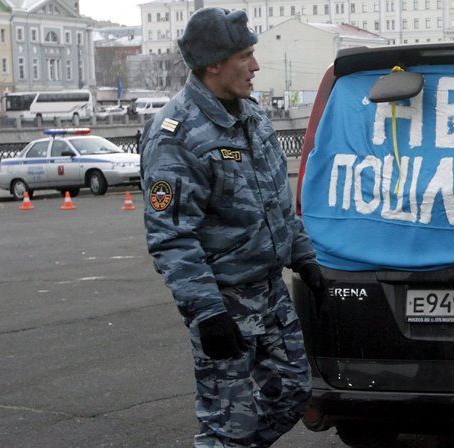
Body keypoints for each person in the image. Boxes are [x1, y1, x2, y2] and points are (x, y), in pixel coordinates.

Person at [140, 7, 326, 448]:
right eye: (246, 56)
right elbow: (171, 237)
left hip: (269, 291)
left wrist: (304, 257)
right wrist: (207, 312)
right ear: (214, 64)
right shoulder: (177, 135)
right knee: (230, 424)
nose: (256, 66)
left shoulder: (253, 118)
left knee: (294, 393)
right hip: (224, 301)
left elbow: (277, 201)